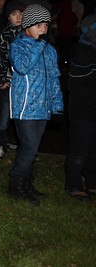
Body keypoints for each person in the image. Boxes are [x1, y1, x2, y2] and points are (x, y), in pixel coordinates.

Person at [8, 4, 63, 205]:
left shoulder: (50, 50)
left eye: (46, 25)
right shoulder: (18, 46)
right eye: (38, 25)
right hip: (25, 107)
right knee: (30, 148)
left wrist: (57, 105)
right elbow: (22, 67)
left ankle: (26, 183)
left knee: (32, 148)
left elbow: (54, 78)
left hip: (43, 107)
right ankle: (16, 184)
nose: (43, 29)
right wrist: (39, 45)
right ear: (27, 26)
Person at [0, 0, 25, 160]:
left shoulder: (29, 33)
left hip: (25, 84)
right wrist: (0, 80)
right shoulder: (3, 34)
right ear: (8, 17)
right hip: (8, 83)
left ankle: (25, 147)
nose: (18, 17)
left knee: (23, 118)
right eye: (14, 14)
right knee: (3, 116)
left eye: (21, 14)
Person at [65, 13, 96, 200]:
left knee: (93, 150)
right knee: (80, 149)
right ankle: (74, 184)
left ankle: (92, 182)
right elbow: (75, 87)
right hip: (83, 113)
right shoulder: (83, 54)